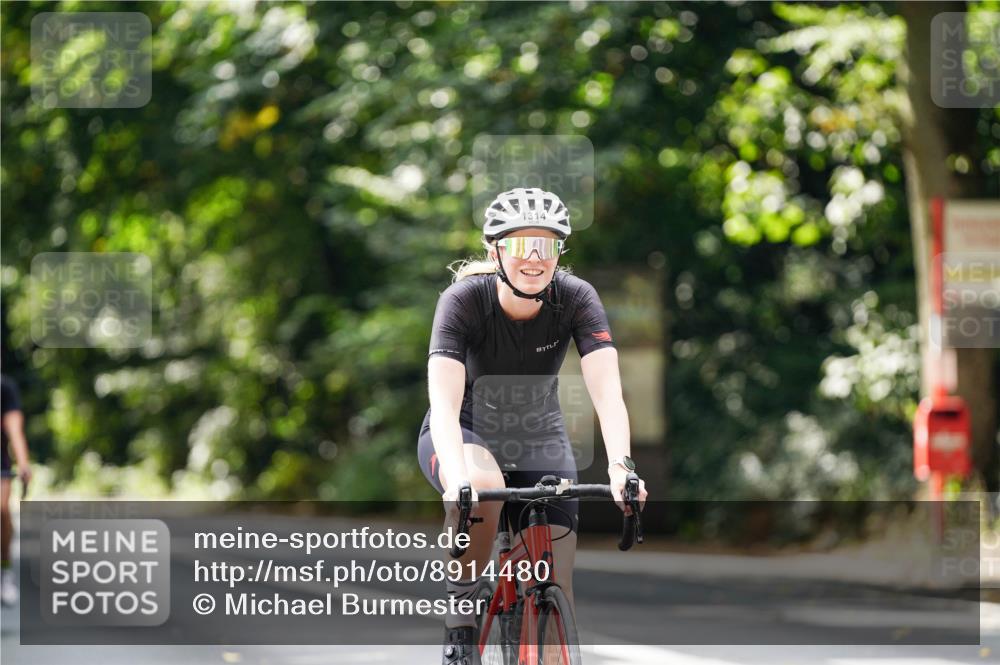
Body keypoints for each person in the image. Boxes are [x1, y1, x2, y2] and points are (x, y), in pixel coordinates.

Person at [417, 187, 648, 664]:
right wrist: (457, 478)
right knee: (484, 486)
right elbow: (442, 403)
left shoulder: (577, 297)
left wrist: (623, 467)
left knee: (554, 581)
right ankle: (461, 614)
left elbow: (608, 395)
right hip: (464, 433)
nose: (535, 259)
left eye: (547, 246)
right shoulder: (463, 301)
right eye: (522, 245)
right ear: (495, 250)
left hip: (539, 437)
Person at [1, 373, 31, 606]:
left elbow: (14, 431)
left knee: (1, 510)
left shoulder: (4, 388)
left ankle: (5, 571)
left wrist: (23, 463)